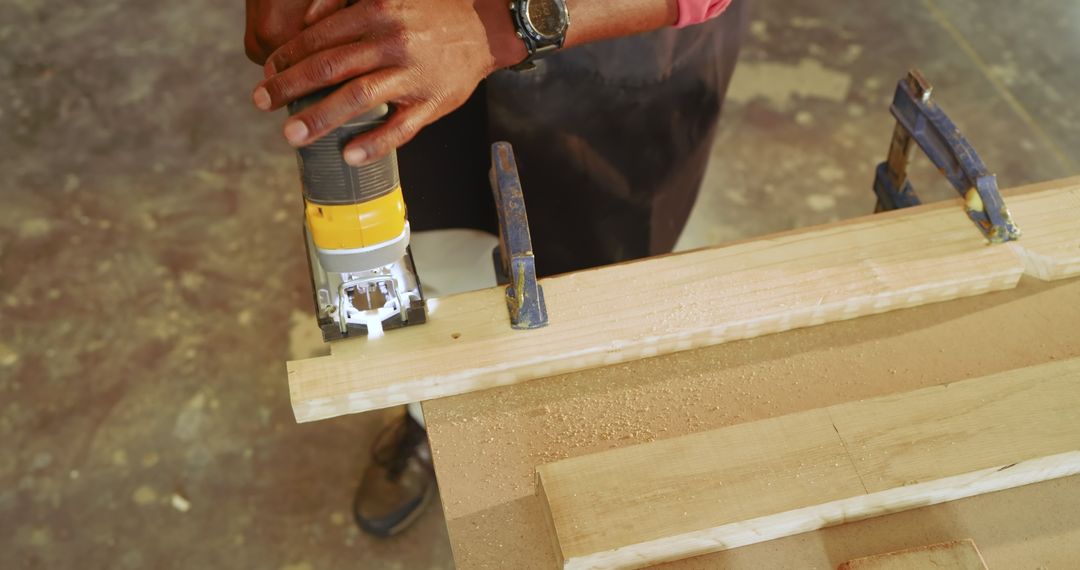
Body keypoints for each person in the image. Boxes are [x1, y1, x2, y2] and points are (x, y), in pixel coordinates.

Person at [246, 0, 747, 538]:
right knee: (427, 266)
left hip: (613, 52)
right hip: (400, 44)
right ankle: (431, 422)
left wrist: (507, 23)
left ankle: (577, 439)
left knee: (586, 300)